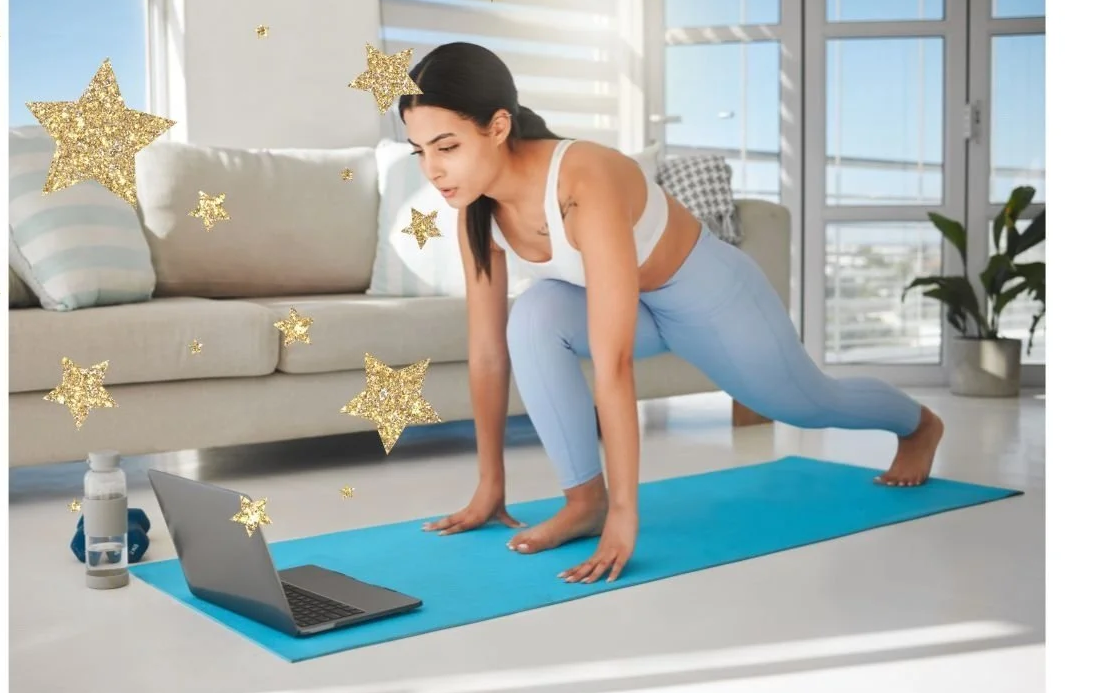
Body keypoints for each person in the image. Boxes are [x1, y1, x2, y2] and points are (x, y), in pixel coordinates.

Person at [402, 42, 944, 585]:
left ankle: (917, 424)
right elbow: (488, 355)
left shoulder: (582, 177)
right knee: (535, 315)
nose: (433, 169)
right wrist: (490, 486)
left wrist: (627, 519)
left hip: (708, 296)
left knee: (806, 403)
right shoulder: (475, 210)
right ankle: (584, 500)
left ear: (498, 126)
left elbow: (613, 366)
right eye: (418, 151)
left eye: (446, 146)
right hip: (636, 307)